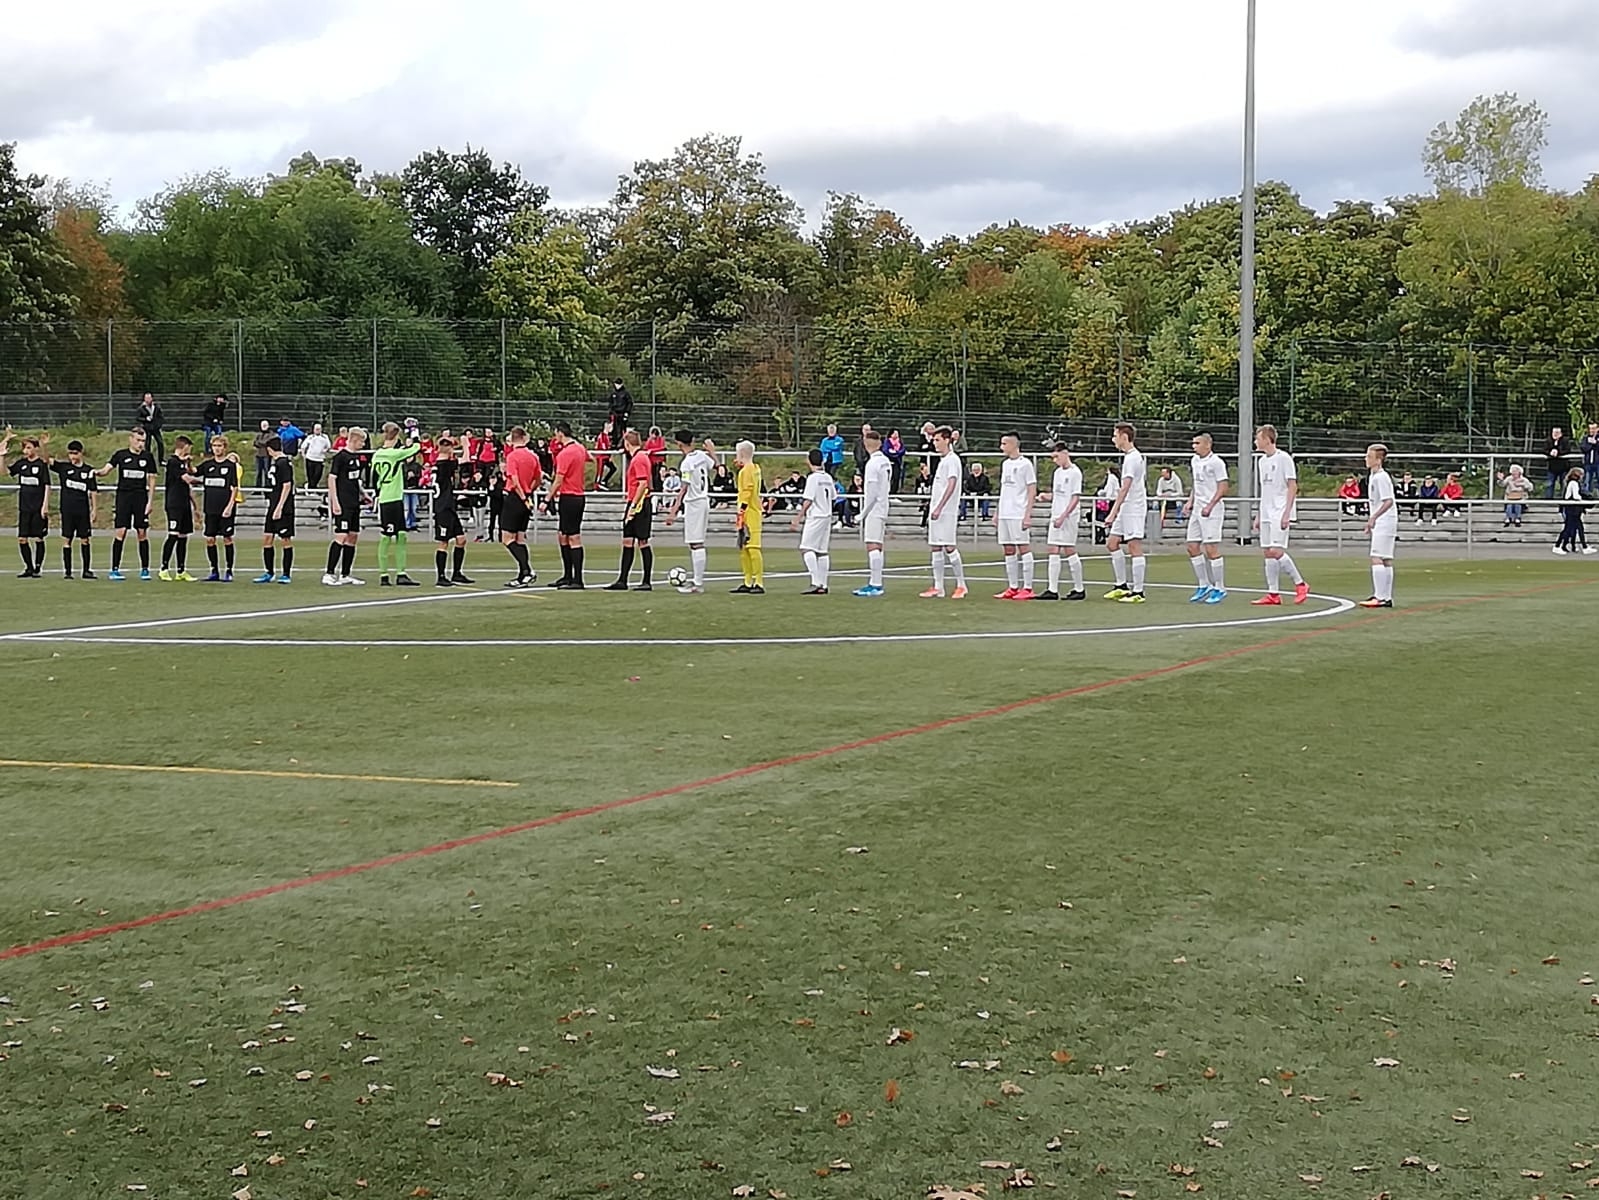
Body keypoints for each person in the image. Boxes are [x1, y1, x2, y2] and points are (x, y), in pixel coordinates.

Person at [1251, 424, 1309, 606]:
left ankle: (1300, 584)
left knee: (1276, 550)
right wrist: (1259, 514)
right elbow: (1265, 490)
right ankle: (1273, 593)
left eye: (1258, 438)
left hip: (1280, 510)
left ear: (1267, 439)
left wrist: (1287, 512)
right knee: (1268, 552)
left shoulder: (1284, 458)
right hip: (1266, 511)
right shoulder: (1262, 461)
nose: (1255, 442)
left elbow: (1292, 485)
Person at [98, 427, 159, 581]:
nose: (141, 444)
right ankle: (114, 569)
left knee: (142, 532)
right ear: (131, 439)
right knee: (121, 531)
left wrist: (150, 501)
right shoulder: (121, 455)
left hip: (141, 498)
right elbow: (106, 470)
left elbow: (152, 479)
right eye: (138, 440)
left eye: (143, 441)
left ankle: (145, 569)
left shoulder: (148, 457)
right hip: (124, 498)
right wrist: (96, 472)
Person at [919, 426, 969, 600]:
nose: (935, 443)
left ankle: (961, 585)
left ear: (947, 440)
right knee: (935, 546)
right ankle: (938, 586)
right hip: (936, 510)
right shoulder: (943, 460)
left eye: (938, 440)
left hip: (946, 511)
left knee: (949, 546)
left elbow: (952, 484)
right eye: (934, 440)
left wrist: (940, 506)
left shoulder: (952, 460)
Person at [603, 430, 656, 591]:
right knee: (628, 540)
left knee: (642, 541)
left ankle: (646, 581)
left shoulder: (639, 458)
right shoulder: (641, 457)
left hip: (639, 503)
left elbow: (643, 483)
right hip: (635, 501)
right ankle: (623, 579)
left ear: (627, 443)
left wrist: (633, 506)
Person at [371, 422, 422, 587]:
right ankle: (384, 575)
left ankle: (401, 574)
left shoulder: (377, 454)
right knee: (387, 537)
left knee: (401, 535)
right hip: (391, 499)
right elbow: (416, 448)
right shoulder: (395, 454)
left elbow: (373, 478)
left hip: (388, 498)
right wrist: (414, 432)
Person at [663, 429, 714, 594]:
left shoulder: (687, 463)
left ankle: (697, 584)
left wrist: (673, 510)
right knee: (696, 542)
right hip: (703, 500)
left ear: (678, 444)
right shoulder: (701, 456)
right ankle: (697, 581)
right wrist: (712, 452)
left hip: (695, 502)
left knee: (696, 542)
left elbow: (684, 488)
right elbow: (716, 466)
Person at [1102, 422, 1148, 604]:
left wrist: (1112, 512)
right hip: (1126, 507)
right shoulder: (1129, 457)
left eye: (1115, 436)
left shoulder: (1133, 458)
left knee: (1134, 546)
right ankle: (1121, 585)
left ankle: (1138, 591)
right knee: (1112, 543)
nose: (1113, 439)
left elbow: (1125, 488)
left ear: (1124, 437)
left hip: (1134, 507)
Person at [542, 422, 590, 589]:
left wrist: (547, 499)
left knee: (573, 537)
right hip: (577, 496)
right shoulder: (580, 448)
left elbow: (558, 480)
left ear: (560, 433)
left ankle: (577, 579)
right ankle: (568, 575)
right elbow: (590, 459)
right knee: (563, 535)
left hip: (570, 496)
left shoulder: (565, 454)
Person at [1037, 442, 1085, 601]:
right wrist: (1047, 496)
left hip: (1068, 516)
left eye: (1057, 456)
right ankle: (1052, 589)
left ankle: (1079, 588)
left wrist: (1064, 516)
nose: (1055, 460)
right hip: (1056, 514)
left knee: (1069, 548)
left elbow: (1075, 497)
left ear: (1065, 453)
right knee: (1053, 548)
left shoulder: (1075, 472)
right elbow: (1059, 494)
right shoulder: (1057, 473)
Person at [1186, 431, 1229, 604]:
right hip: (1197, 509)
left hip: (1212, 510)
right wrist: (1190, 501)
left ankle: (1220, 587)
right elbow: (1196, 484)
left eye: (1197, 443)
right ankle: (1204, 584)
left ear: (1207, 444)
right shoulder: (1194, 460)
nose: (1194, 446)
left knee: (1211, 548)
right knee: (1192, 546)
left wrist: (1210, 505)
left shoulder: (1216, 462)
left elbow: (1223, 487)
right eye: (1193, 443)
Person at [993, 431, 1038, 600]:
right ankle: (1012, 586)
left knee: (1023, 547)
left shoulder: (1025, 464)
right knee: (1008, 548)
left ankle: (1028, 587)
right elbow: (1003, 490)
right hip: (1005, 513)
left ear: (1013, 444)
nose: (1001, 447)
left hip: (1018, 512)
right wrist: (997, 512)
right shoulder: (1005, 464)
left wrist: (1028, 514)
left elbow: (1031, 489)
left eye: (1004, 444)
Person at [323, 427, 370, 586]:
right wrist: (334, 501)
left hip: (354, 502)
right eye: (362, 441)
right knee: (341, 536)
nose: (363, 445)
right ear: (355, 440)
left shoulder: (356, 457)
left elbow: (355, 480)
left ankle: (345, 574)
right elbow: (331, 479)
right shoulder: (340, 457)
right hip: (343, 503)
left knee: (353, 536)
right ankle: (329, 573)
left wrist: (363, 494)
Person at [2, 428, 50, 577]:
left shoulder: (41, 465)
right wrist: (2, 456)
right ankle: (28, 567)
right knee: (22, 538)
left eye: (29, 447)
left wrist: (45, 505)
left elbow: (47, 485)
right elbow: (4, 472)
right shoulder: (21, 464)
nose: (26, 450)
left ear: (35, 448)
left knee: (38, 538)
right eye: (24, 448)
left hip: (37, 507)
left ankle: (37, 568)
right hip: (24, 507)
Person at [428, 436, 474, 587]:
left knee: (461, 539)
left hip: (449, 506)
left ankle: (457, 573)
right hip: (443, 508)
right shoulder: (444, 464)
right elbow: (466, 459)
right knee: (444, 542)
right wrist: (466, 445)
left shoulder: (438, 465)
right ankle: (441, 576)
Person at [854, 429, 892, 597]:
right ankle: (876, 582)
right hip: (883, 506)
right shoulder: (885, 461)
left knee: (872, 545)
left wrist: (862, 514)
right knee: (877, 545)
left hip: (875, 509)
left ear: (865, 443)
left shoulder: (872, 464)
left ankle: (875, 584)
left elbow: (872, 493)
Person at [52, 439, 99, 579]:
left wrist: (94, 509)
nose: (72, 456)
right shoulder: (64, 468)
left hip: (82, 510)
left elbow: (93, 491)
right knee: (67, 539)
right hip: (67, 510)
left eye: (75, 453)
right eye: (70, 453)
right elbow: (47, 460)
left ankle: (86, 570)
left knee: (85, 539)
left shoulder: (88, 470)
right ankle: (68, 572)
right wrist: (43, 445)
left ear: (81, 453)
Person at [1359, 443, 1398, 608]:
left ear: (1378, 459)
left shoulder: (1381, 477)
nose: (1366, 459)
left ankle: (1380, 597)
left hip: (1384, 520)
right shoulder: (1374, 476)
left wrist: (1374, 517)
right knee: (1386, 559)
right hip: (1386, 520)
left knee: (1376, 557)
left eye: (1369, 456)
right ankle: (1385, 596)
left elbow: (1388, 501)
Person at [791, 449, 835, 594]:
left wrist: (799, 516)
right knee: (822, 551)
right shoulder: (827, 477)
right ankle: (823, 584)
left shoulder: (813, 478)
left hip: (816, 515)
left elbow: (808, 499)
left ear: (809, 461)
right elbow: (833, 497)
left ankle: (815, 582)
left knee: (806, 548)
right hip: (827, 514)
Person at [196, 435, 239, 582]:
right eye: (214, 446)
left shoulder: (230, 466)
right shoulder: (207, 465)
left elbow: (234, 488)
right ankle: (214, 570)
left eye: (219, 446)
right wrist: (186, 462)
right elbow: (194, 471)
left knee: (227, 538)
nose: (217, 449)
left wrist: (230, 506)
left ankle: (229, 570)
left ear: (224, 448)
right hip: (210, 508)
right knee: (210, 539)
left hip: (225, 508)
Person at [254, 436, 296, 584]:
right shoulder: (276, 462)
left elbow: (287, 485)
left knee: (285, 539)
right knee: (267, 537)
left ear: (270, 449)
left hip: (284, 507)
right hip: (273, 504)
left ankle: (286, 574)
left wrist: (280, 506)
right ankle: (269, 572)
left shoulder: (284, 463)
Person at [158, 435, 200, 581]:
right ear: (183, 447)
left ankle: (181, 570)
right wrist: (206, 481)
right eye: (189, 449)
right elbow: (187, 479)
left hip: (184, 504)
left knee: (183, 536)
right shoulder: (173, 462)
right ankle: (164, 569)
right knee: (173, 535)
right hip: (174, 504)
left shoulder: (183, 464)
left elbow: (188, 485)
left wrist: (195, 507)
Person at [731, 440, 765, 594]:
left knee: (752, 547)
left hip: (750, 513)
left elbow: (747, 490)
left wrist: (741, 509)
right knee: (744, 547)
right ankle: (748, 580)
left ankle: (758, 581)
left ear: (742, 454)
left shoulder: (747, 471)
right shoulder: (754, 468)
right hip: (749, 511)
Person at [1554, 467, 1594, 555]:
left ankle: (1585, 547)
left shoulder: (1572, 483)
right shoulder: (1574, 483)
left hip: (1573, 509)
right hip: (1572, 509)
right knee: (1568, 529)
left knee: (1579, 528)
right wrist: (1583, 500)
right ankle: (1557, 546)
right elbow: (1575, 496)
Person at [133, 392, 165, 463]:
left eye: (149, 398)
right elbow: (138, 418)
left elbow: (161, 417)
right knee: (147, 444)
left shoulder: (156, 407)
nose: (148, 400)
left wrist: (159, 425)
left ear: (152, 398)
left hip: (156, 428)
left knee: (160, 443)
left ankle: (161, 460)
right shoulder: (141, 408)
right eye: (146, 398)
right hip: (147, 429)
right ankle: (148, 459)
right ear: (144, 399)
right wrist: (146, 419)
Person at [301, 422, 332, 491]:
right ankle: (311, 488)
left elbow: (328, 446)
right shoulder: (310, 437)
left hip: (320, 459)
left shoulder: (325, 437)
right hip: (310, 458)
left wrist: (325, 450)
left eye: (319, 429)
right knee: (310, 475)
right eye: (316, 429)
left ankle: (312, 487)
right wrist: (304, 455)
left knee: (318, 474)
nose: (318, 430)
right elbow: (303, 446)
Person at [1543, 426, 1572, 499]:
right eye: (1554, 432)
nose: (1555, 434)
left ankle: (1564, 499)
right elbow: (1544, 450)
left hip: (1563, 467)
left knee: (1564, 484)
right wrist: (1550, 452)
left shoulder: (1565, 441)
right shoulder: (1548, 440)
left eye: (1557, 433)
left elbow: (1568, 450)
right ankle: (1548, 500)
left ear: (1561, 433)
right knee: (1550, 484)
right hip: (1552, 467)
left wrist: (1558, 452)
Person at [606, 378, 633, 443]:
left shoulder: (625, 393)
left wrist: (627, 412)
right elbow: (610, 403)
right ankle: (614, 442)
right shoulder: (613, 393)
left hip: (622, 413)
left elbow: (629, 403)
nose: (616, 385)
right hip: (615, 414)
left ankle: (622, 442)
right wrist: (611, 412)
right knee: (614, 429)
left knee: (622, 428)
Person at [643, 425, 668, 490]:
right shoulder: (649, 440)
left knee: (659, 476)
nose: (654, 436)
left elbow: (662, 448)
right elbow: (646, 448)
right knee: (652, 475)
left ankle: (659, 489)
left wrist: (652, 451)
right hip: (651, 461)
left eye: (655, 434)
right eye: (652, 434)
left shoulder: (661, 439)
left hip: (659, 461)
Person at [252, 420, 273, 489]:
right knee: (258, 472)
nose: (263, 427)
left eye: (265, 425)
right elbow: (255, 443)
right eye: (262, 425)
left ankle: (268, 486)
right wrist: (261, 443)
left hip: (266, 455)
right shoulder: (259, 434)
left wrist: (260, 443)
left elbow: (266, 442)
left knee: (267, 471)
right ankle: (257, 487)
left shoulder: (271, 434)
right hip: (258, 455)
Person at [1584, 422, 1599, 497]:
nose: (1592, 430)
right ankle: (1588, 496)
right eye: (1590, 429)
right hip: (1588, 463)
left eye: (1593, 428)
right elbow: (1583, 448)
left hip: (1598, 463)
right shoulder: (1586, 438)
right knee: (1587, 481)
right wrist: (1591, 444)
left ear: (1597, 429)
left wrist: (1596, 443)